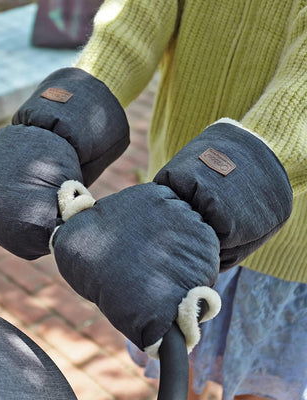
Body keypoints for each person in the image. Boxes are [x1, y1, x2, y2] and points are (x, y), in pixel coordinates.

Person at [69, 1, 307, 399]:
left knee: (259, 389)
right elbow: (136, 16)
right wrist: (59, 119)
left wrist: (217, 187)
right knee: (180, 379)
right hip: (175, 201)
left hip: (287, 225)